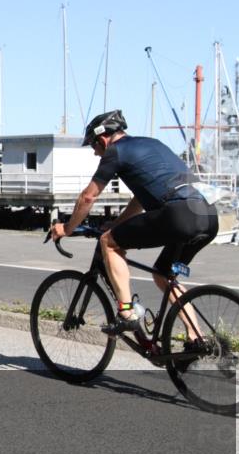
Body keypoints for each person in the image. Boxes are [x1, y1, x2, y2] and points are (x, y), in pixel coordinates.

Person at [50, 110, 218, 345]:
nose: (95, 153)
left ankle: (127, 313)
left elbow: (88, 197)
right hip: (208, 214)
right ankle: (197, 338)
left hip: (178, 214)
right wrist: (117, 224)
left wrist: (66, 228)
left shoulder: (115, 152)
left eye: (93, 147)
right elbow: (139, 199)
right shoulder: (152, 144)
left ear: (102, 139)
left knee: (108, 242)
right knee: (163, 274)